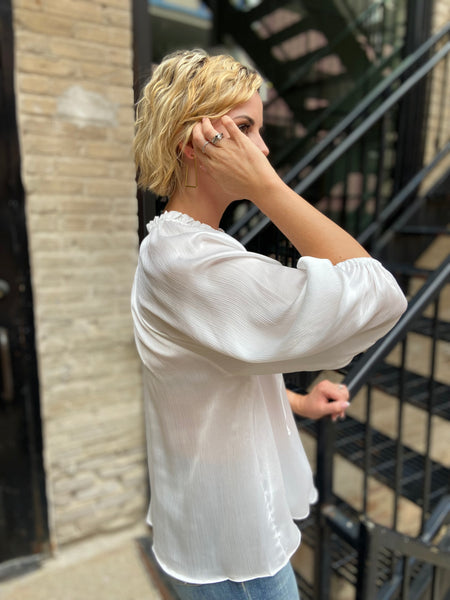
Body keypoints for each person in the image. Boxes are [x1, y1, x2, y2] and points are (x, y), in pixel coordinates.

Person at [131, 49, 407, 600]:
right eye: (243, 128)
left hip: (222, 521)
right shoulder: (186, 260)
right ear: (196, 141)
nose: (262, 148)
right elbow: (378, 295)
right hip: (233, 544)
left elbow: (216, 378)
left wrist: (301, 404)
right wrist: (269, 189)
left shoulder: (185, 246)